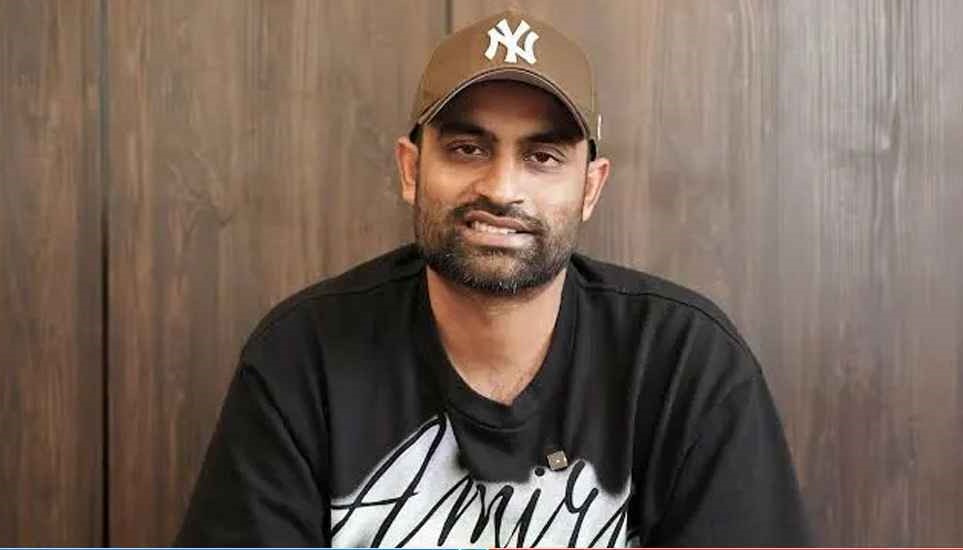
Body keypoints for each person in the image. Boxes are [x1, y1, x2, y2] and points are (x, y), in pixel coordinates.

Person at [175, 8, 811, 548]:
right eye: (467, 149)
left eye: (542, 156)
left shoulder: (684, 364)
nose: (502, 188)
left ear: (590, 188)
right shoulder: (302, 357)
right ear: (410, 169)